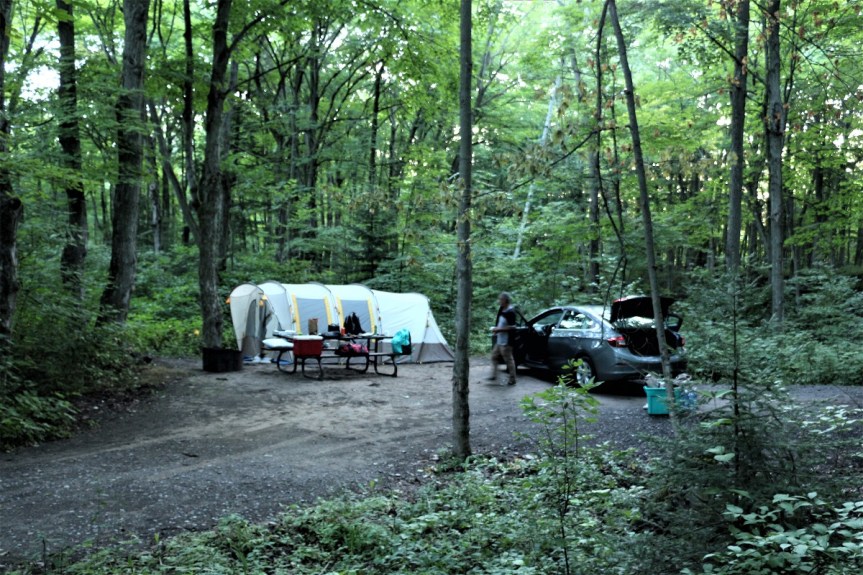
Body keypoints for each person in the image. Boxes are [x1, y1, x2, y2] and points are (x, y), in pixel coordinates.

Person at [489, 292, 517, 385]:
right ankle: (494, 375)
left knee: (508, 360)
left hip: (507, 341)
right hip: (500, 339)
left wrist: (499, 329)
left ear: (505, 300)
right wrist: (496, 330)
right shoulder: (502, 309)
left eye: (500, 299)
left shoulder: (511, 312)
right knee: (494, 356)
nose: (499, 301)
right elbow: (499, 321)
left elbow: (512, 327)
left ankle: (512, 379)